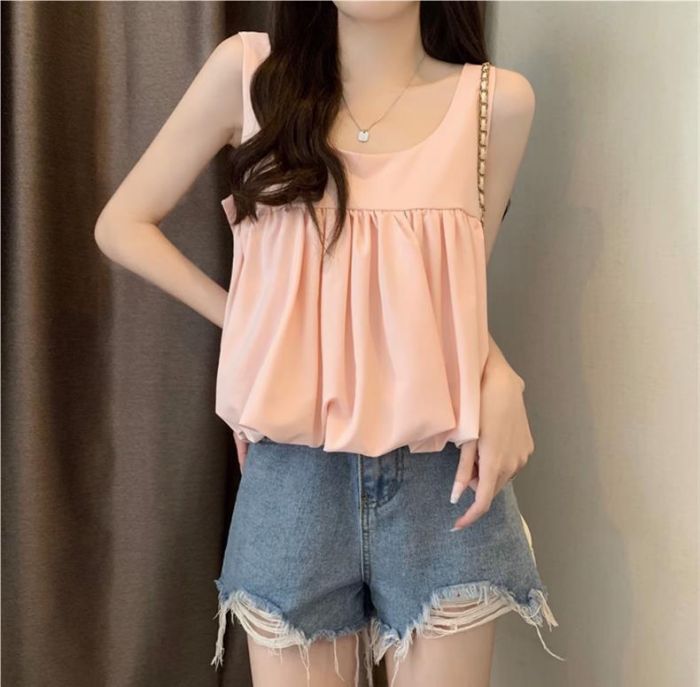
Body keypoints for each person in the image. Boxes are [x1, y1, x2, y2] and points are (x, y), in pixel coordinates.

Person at [95, 3, 565, 686]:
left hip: (440, 479)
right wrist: (256, 331)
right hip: (294, 478)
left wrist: (497, 375)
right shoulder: (249, 74)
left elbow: (446, 304)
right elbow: (122, 224)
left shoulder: (496, 104)